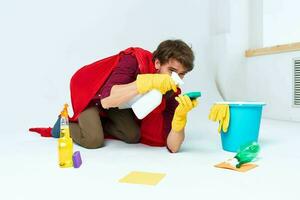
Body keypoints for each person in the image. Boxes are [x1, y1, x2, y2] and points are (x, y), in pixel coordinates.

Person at [33, 39, 198, 153]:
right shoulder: (134, 60)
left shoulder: (171, 91)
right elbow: (106, 99)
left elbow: (174, 147)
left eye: (181, 74)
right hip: (92, 93)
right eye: (172, 71)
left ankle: (98, 122)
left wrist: (180, 120)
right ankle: (61, 126)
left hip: (118, 103)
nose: (176, 79)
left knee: (133, 135)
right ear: (157, 63)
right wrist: (147, 82)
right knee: (93, 140)